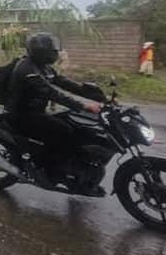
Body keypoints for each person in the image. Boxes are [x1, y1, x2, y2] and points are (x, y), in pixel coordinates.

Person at [6, 32, 102, 189]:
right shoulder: (27, 69)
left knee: (76, 127)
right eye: (52, 50)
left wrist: (99, 97)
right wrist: (84, 105)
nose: (56, 53)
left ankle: (73, 165)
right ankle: (49, 171)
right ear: (41, 51)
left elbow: (65, 83)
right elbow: (53, 93)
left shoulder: (43, 67)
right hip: (22, 115)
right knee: (63, 130)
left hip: (37, 112)